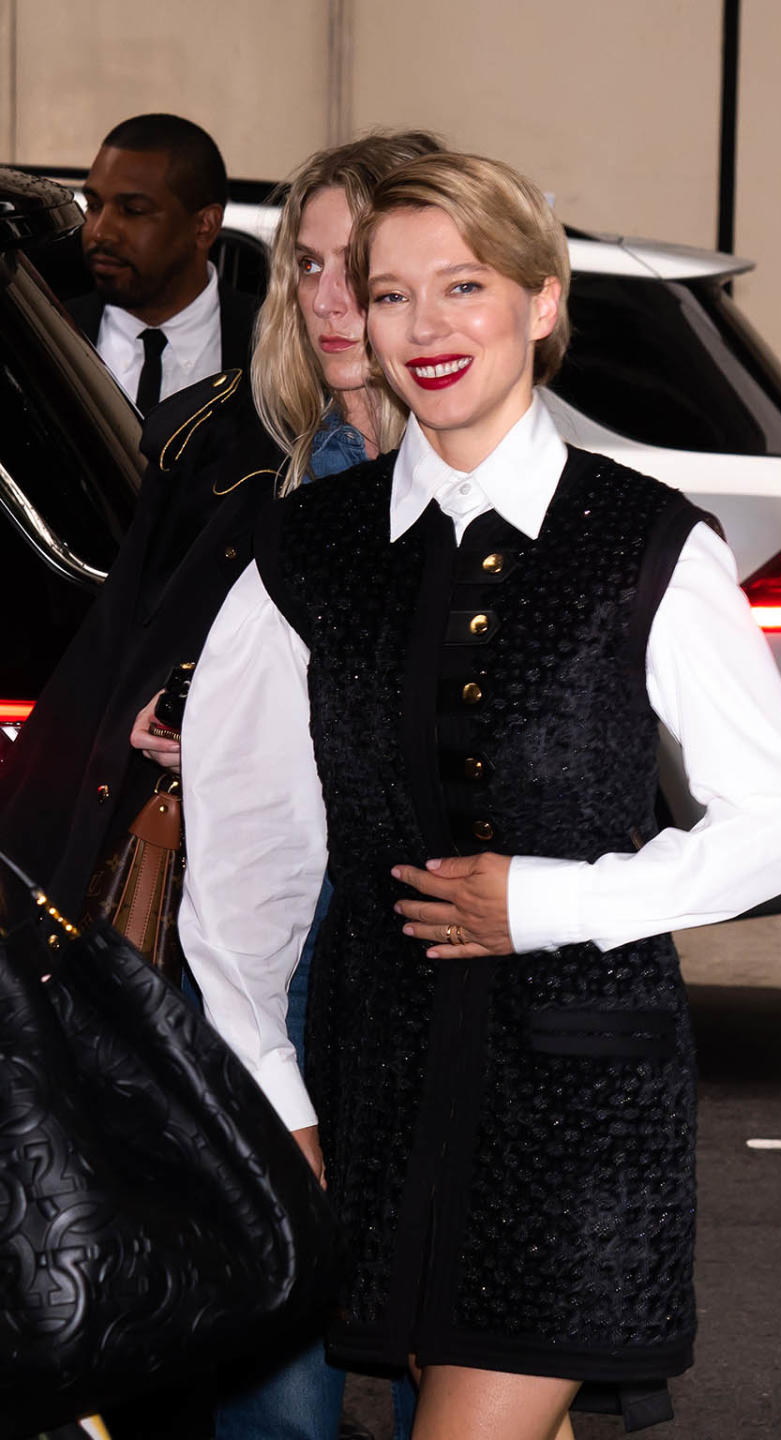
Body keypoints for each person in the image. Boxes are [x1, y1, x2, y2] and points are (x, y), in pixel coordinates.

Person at [179, 152, 781, 1439]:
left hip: (583, 1108)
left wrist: (546, 903)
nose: (425, 328)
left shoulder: (646, 541)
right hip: (374, 1093)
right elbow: (243, 872)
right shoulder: (302, 555)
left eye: (464, 286)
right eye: (390, 295)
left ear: (542, 303)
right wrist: (280, 1097)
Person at [0, 130, 440, 1440]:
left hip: (428, 972)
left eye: (362, 264)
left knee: (458, 1352)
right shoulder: (236, 457)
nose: (331, 294)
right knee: (273, 1357)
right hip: (253, 960)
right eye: (305, 262)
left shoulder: (487, 490)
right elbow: (111, 670)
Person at [68, 112, 257, 412]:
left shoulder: (276, 344)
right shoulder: (42, 336)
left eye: (133, 210)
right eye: (93, 206)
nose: (100, 231)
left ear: (204, 226)